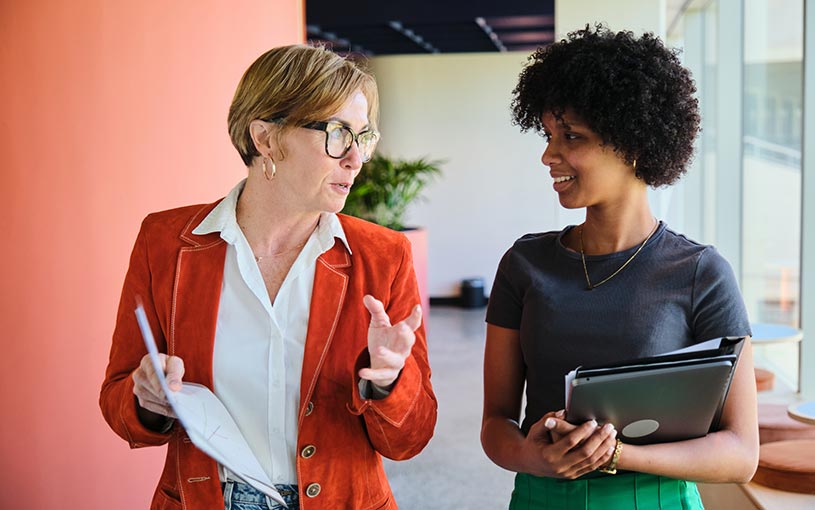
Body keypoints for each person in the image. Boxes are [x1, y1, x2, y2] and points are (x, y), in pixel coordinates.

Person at [100, 44, 437, 510]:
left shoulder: (384, 256)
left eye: (363, 137)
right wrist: (147, 399)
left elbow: (412, 437)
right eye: (338, 134)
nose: (356, 158)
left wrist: (388, 382)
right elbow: (118, 399)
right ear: (266, 138)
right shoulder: (166, 242)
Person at [481, 25, 759, 510]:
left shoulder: (701, 273)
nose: (548, 155)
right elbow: (495, 423)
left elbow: (740, 453)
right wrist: (533, 457)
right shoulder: (524, 264)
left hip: (656, 500)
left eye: (571, 136)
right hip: (542, 498)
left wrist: (616, 454)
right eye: (548, 135)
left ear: (633, 144)